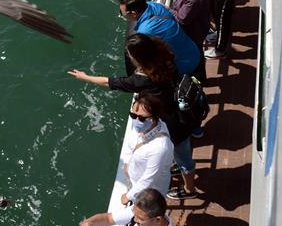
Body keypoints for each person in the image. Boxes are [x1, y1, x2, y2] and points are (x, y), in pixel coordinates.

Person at [68, 35, 198, 199]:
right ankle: (179, 166)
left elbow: (111, 82)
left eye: (130, 54)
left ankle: (189, 190)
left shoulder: (141, 80)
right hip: (183, 115)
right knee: (182, 152)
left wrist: (85, 77)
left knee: (184, 159)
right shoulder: (165, 57)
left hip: (173, 126)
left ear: (138, 58)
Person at [118, 0, 200, 75]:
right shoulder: (155, 5)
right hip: (194, 51)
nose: (122, 14)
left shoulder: (145, 31)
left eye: (122, 12)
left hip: (184, 65)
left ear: (133, 13)